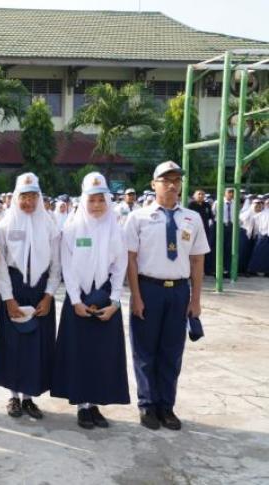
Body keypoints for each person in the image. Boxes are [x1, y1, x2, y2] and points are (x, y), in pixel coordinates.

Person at [125, 161, 209, 431]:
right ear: (153, 184)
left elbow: (197, 261)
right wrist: (135, 296)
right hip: (149, 288)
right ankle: (148, 404)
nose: (172, 185)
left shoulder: (192, 218)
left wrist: (195, 300)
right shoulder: (138, 217)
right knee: (145, 351)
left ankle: (166, 406)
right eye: (166, 180)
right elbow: (131, 259)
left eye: (176, 180)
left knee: (172, 352)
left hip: (179, 291)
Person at [51, 172, 130, 429]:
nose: (96, 206)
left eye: (101, 200)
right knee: (79, 354)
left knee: (101, 355)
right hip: (79, 300)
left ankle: (95, 403)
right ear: (83, 201)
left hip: (105, 298)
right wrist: (75, 300)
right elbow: (67, 267)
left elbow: (120, 267)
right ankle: (82, 406)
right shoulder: (72, 229)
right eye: (92, 200)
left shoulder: (115, 229)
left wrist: (115, 301)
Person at [0, 172, 60, 420]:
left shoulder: (50, 225)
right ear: (16, 197)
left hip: (40, 292)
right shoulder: (5, 225)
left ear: (39, 198)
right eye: (23, 197)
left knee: (35, 347)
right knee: (13, 346)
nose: (28, 202)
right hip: (14, 288)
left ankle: (30, 397)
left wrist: (49, 295)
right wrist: (8, 298)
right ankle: (13, 396)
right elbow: (0, 266)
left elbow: (56, 265)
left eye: (33, 196)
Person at [187, 190, 215, 275]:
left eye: (203, 194)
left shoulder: (207, 205)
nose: (201, 196)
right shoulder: (191, 205)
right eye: (199, 194)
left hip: (205, 231)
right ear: (194, 196)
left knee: (204, 250)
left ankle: (207, 270)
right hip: (192, 230)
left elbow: (211, 217)